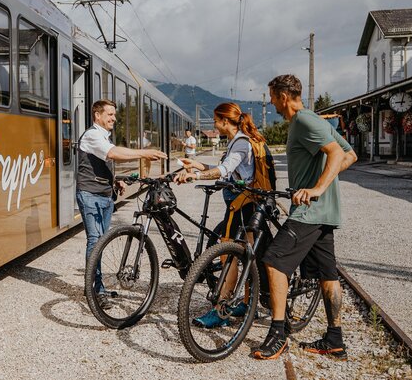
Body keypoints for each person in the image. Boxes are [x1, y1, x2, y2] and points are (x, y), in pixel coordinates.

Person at [253, 74, 357, 361]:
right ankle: (334, 341)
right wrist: (322, 183)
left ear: (283, 96)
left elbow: (336, 154)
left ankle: (278, 335)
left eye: (273, 97)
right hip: (324, 212)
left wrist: (316, 188)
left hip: (310, 212)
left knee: (274, 262)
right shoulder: (316, 120)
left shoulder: (304, 121)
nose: (272, 102)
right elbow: (350, 155)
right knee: (328, 274)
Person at [175, 103, 265, 328]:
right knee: (247, 255)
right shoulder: (241, 141)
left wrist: (195, 176)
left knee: (229, 256)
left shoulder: (241, 142)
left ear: (225, 121)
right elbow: (229, 168)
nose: (214, 124)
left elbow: (223, 171)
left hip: (241, 205)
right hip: (247, 204)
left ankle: (221, 311)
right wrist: (198, 164)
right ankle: (247, 302)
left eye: (216, 120)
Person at [78, 100, 167, 306]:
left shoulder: (103, 136)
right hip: (91, 194)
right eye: (109, 114)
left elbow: (103, 159)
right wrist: (144, 152)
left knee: (100, 240)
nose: (114, 118)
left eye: (114, 114)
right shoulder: (92, 134)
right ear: (97, 115)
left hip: (104, 194)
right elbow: (112, 154)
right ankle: (94, 289)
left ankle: (94, 286)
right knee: (95, 240)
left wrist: (114, 179)